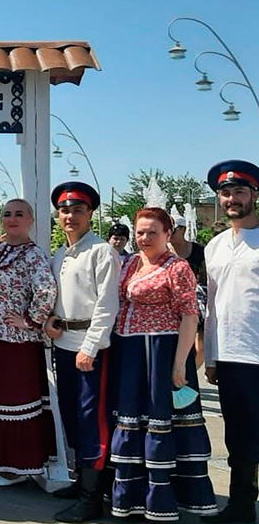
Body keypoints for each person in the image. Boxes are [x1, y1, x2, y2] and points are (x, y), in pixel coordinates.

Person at [110, 207, 217, 521]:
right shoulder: (129, 263)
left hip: (161, 349)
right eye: (140, 232)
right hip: (130, 350)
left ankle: (165, 498)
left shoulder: (177, 267)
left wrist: (180, 362)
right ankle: (132, 497)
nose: (145, 238)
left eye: (152, 232)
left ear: (168, 234)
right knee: (133, 418)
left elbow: (189, 315)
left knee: (163, 418)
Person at [46, 183, 120, 522]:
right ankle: (83, 482)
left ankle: (93, 498)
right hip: (64, 342)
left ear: (90, 214)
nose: (70, 216)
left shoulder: (102, 251)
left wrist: (91, 346)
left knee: (93, 420)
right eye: (64, 210)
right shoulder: (60, 253)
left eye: (77, 210)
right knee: (72, 418)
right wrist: (50, 320)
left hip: (91, 347)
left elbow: (107, 305)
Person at [0, 198, 57, 487]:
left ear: (31, 220)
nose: (12, 219)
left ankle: (18, 466)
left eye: (19, 214)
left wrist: (30, 320)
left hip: (17, 340)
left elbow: (46, 291)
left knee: (16, 401)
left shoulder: (33, 254)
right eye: (7, 214)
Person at [201, 160, 259, 523]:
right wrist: (210, 355)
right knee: (239, 435)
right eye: (225, 192)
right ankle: (241, 505)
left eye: (239, 191)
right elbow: (213, 305)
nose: (232, 198)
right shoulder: (216, 246)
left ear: (254, 195)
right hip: (231, 353)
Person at [170, 216, 207, 369]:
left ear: (184, 229)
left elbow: (207, 276)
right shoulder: (162, 251)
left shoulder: (199, 250)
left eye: (173, 229)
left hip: (197, 303)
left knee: (200, 347)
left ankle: (191, 373)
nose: (169, 233)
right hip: (172, 304)